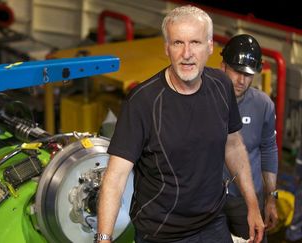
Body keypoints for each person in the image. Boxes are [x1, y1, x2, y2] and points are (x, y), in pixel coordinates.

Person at [96, 5, 265, 243]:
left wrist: (253, 206)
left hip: (213, 224)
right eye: (178, 43)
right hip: (161, 233)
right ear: (167, 48)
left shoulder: (221, 86)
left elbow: (234, 145)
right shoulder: (143, 101)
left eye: (195, 42)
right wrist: (103, 238)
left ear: (209, 47)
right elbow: (115, 177)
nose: (187, 53)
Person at [220, 34, 279, 242]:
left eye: (248, 74)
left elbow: (269, 149)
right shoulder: (204, 100)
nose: (242, 80)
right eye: (237, 71)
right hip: (208, 198)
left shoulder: (263, 105)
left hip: (247, 200)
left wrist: (271, 198)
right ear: (223, 66)